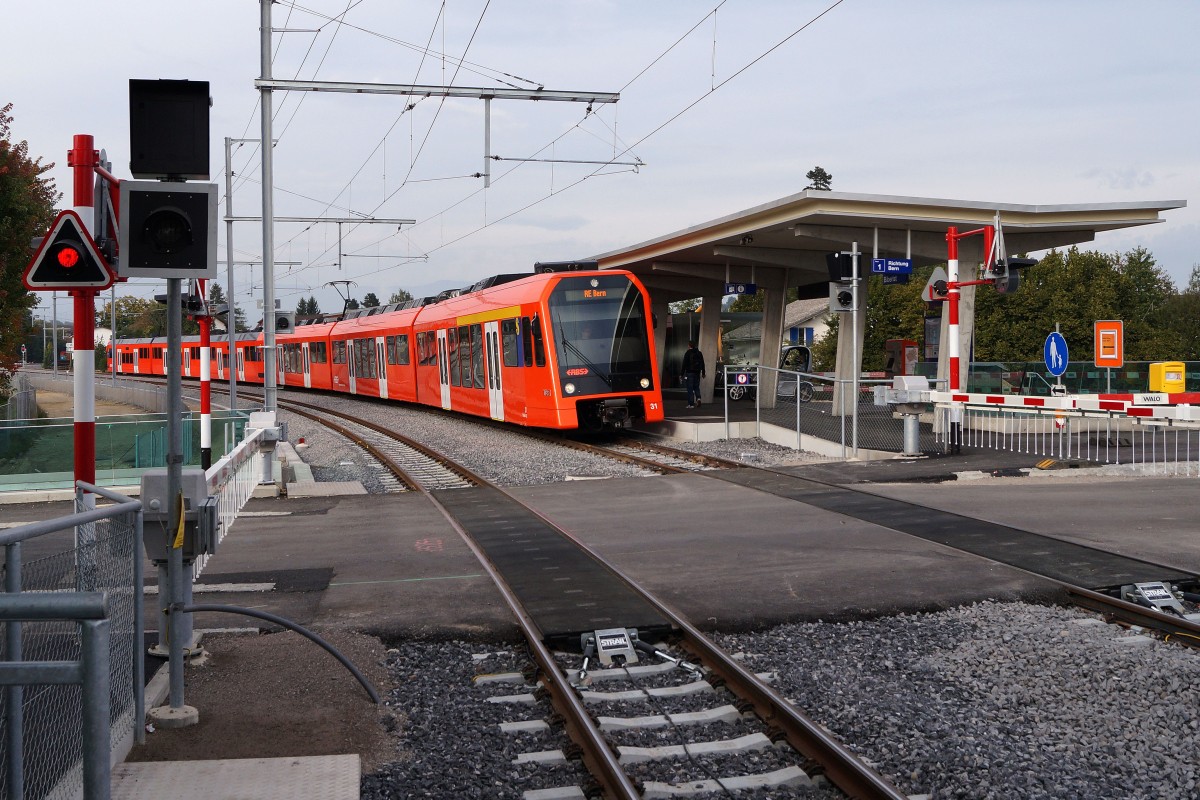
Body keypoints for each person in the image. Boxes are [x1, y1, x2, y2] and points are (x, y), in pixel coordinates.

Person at [681, 340, 705, 408]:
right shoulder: (699, 353)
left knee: (690, 388)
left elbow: (684, 364)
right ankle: (698, 398)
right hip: (697, 373)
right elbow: (702, 363)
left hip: (689, 373)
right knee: (696, 387)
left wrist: (681, 374)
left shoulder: (688, 353)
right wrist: (703, 372)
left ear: (689, 345)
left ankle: (691, 404)